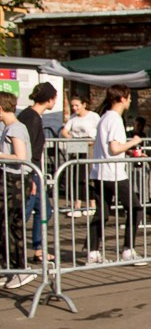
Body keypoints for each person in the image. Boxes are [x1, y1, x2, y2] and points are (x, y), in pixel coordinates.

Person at [87, 85, 145, 266]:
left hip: (100, 172)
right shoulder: (114, 119)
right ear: (122, 98)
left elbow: (110, 147)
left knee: (102, 212)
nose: (130, 101)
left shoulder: (105, 117)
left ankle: (93, 252)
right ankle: (128, 250)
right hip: (113, 173)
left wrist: (129, 152)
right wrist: (134, 142)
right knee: (135, 209)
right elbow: (114, 148)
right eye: (129, 97)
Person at [0, 86, 36, 290]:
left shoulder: (15, 128)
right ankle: (9, 268)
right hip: (11, 180)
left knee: (11, 226)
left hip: (14, 181)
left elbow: (20, 157)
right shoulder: (9, 128)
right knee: (7, 225)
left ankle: (20, 268)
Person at [18, 81, 57, 264]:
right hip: (31, 171)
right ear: (50, 99)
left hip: (33, 171)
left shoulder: (30, 115)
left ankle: (39, 249)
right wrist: (31, 177)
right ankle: (11, 252)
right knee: (24, 213)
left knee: (44, 210)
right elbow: (28, 150)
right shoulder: (32, 118)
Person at [60, 94, 100, 218]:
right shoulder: (73, 118)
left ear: (84, 105)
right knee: (77, 175)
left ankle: (92, 204)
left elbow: (99, 131)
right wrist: (72, 139)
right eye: (72, 106)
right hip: (77, 145)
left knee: (89, 175)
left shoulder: (93, 116)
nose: (74, 108)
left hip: (89, 145)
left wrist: (92, 140)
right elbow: (64, 131)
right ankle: (77, 205)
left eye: (77, 105)